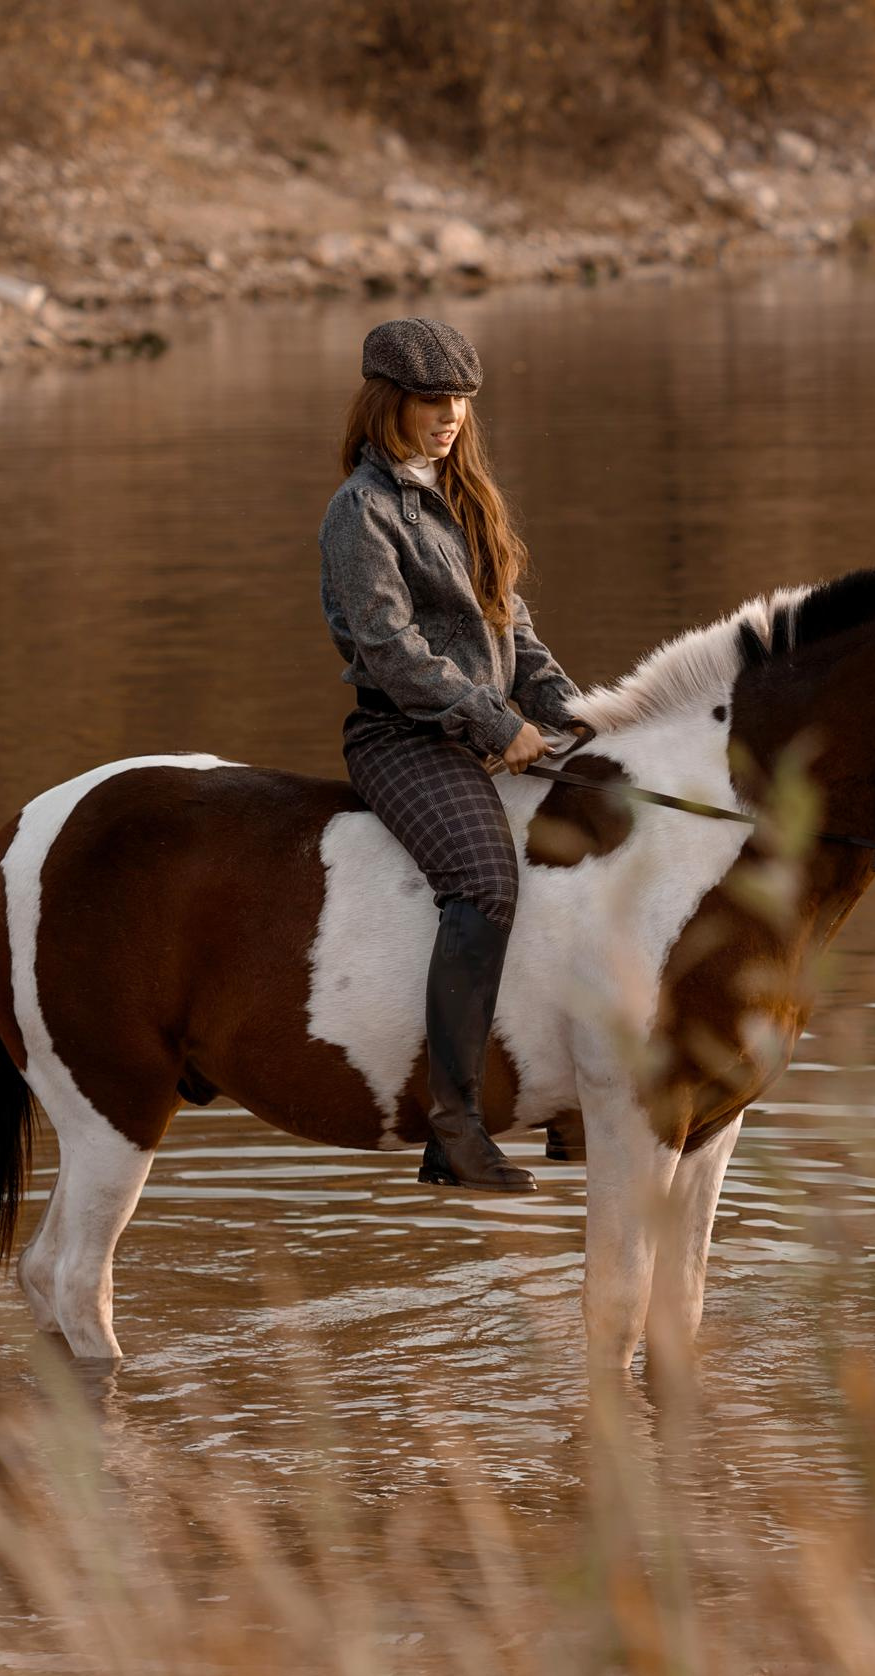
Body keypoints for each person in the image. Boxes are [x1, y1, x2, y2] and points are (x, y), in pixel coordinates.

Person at [319, 316, 577, 1192]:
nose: (452, 415)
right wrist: (495, 725)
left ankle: (572, 1102)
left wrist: (586, 722)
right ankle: (454, 1127)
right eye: (434, 399)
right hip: (403, 735)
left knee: (602, 837)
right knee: (484, 879)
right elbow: (390, 651)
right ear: (389, 401)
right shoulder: (360, 513)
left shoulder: (469, 496)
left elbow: (521, 637)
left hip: (484, 724)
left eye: (462, 399)